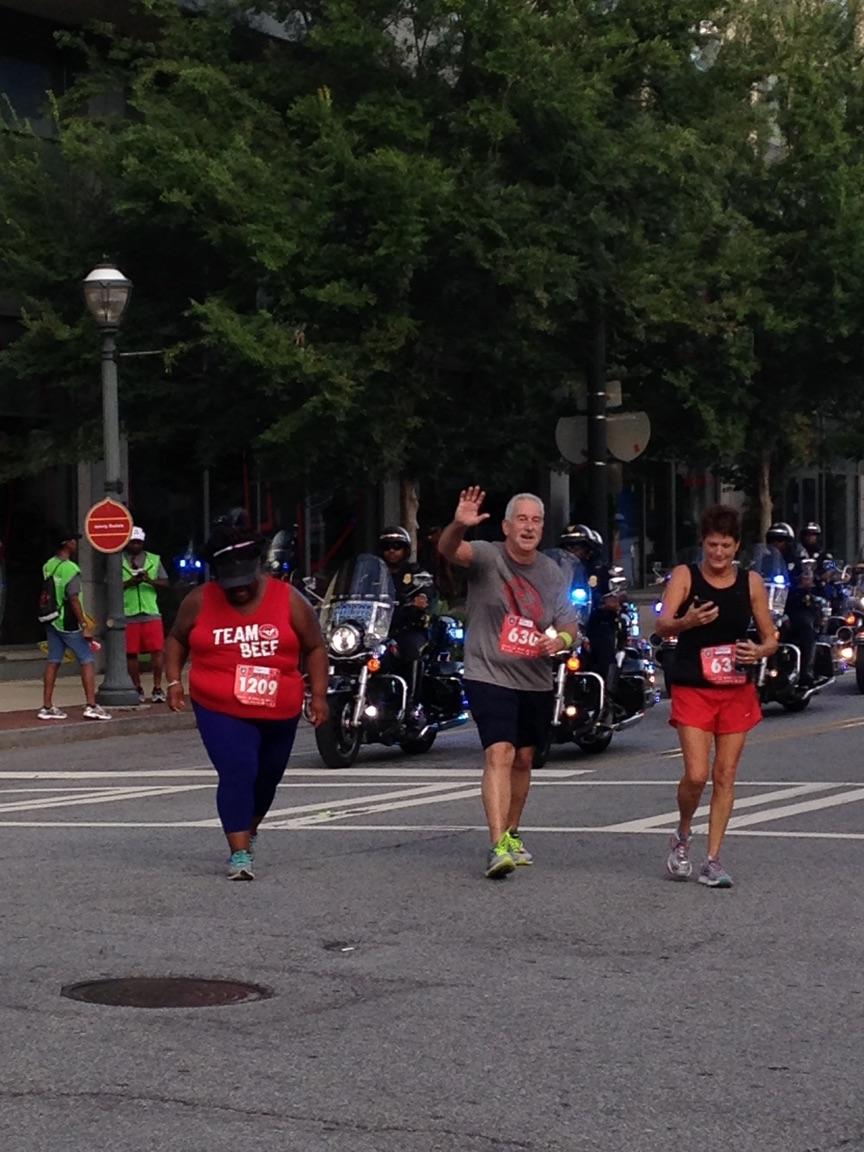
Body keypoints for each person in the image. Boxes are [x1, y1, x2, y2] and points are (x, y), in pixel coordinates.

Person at [164, 521, 329, 880]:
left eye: (244, 583)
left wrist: (318, 696)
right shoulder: (199, 601)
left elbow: (315, 647)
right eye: (230, 584)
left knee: (267, 778)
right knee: (238, 769)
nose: (237, 591)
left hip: (278, 706)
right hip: (218, 703)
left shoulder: (288, 599)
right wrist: (174, 680)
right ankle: (239, 853)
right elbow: (176, 639)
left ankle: (248, 829)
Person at [438, 488, 580, 879]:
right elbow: (451, 550)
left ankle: (513, 832)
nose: (529, 527)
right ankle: (497, 843)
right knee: (499, 751)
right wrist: (458, 525)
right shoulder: (487, 555)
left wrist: (560, 641)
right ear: (506, 526)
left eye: (536, 521)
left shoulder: (551, 573)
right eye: (522, 519)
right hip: (488, 672)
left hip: (534, 677)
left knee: (523, 758)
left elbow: (570, 623)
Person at [656, 504, 778, 888]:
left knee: (725, 774)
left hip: (735, 687)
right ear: (703, 545)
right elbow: (661, 624)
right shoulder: (685, 576)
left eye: (726, 546)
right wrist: (686, 622)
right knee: (697, 773)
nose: (719, 554)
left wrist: (758, 651)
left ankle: (713, 859)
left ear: (737, 546)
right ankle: (683, 833)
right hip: (693, 685)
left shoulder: (751, 582)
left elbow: (771, 635)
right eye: (713, 546)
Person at [39, 530, 111, 722]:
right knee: (86, 659)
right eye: (73, 541)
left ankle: (47, 706)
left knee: (53, 660)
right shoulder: (71, 568)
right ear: (67, 544)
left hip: (52, 618)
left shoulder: (49, 565)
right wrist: (84, 624)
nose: (76, 544)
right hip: (68, 621)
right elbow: (73, 598)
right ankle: (91, 705)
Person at [378, 526, 434, 715]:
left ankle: (411, 704)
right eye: (387, 546)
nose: (392, 550)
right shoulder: (374, 574)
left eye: (397, 546)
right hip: (378, 631)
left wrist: (421, 600)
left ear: (406, 550)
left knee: (411, 650)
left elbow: (427, 593)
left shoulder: (415, 573)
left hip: (408, 629)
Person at [122, 526, 169, 702]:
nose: (135, 545)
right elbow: (111, 586)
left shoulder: (154, 559)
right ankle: (137, 687)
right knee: (131, 653)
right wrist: (130, 582)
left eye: (138, 542)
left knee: (157, 651)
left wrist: (149, 580)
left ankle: (157, 687)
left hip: (150, 611)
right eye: (132, 542)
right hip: (129, 611)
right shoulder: (118, 561)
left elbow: (165, 582)